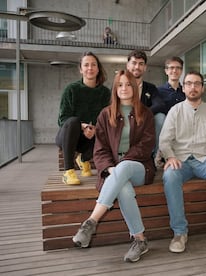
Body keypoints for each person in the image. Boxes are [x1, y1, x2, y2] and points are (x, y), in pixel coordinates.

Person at [72, 70, 155, 263]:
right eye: (120, 85)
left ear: (134, 88)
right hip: (114, 170)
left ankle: (91, 222)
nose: (124, 88)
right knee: (124, 189)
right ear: (115, 89)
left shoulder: (146, 113)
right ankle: (140, 240)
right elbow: (99, 149)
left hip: (140, 167)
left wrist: (122, 164)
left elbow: (146, 146)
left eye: (128, 84)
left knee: (124, 169)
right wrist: (110, 168)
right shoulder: (105, 114)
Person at [159, 71, 206, 253]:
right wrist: (170, 157)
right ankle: (179, 232)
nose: (193, 87)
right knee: (170, 176)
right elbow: (164, 140)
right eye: (189, 84)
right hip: (181, 160)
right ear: (183, 88)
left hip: (205, 159)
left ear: (202, 88)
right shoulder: (175, 111)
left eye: (197, 84)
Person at [56, 51, 111, 185]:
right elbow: (62, 119)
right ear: (81, 69)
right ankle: (68, 171)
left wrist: (95, 129)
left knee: (109, 133)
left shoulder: (105, 93)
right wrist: (83, 126)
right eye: (86, 65)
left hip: (91, 138)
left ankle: (83, 159)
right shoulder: (71, 90)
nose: (90, 68)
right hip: (69, 135)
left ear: (98, 69)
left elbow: (107, 120)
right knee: (73, 121)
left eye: (93, 65)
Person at [126, 50, 165, 156]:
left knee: (160, 117)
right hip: (125, 120)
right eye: (134, 63)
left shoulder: (150, 88)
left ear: (145, 67)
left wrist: (143, 114)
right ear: (128, 65)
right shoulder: (120, 86)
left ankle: (155, 157)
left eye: (141, 64)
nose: (137, 67)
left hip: (144, 122)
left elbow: (160, 104)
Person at [155, 57, 186, 168]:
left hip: (183, 127)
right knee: (159, 117)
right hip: (166, 127)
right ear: (166, 71)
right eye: (171, 68)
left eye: (178, 68)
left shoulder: (185, 91)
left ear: (181, 71)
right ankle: (159, 155)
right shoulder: (158, 91)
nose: (174, 71)